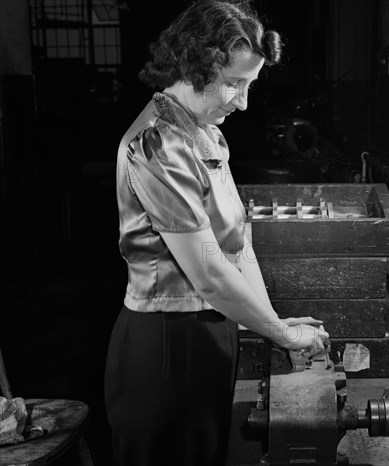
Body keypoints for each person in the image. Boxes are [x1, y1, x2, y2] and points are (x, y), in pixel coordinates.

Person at [104, 2, 329, 465]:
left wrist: (275, 324)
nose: (243, 102)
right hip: (168, 340)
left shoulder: (206, 135)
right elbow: (207, 271)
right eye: (233, 83)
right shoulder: (158, 143)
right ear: (193, 65)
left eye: (250, 84)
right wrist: (280, 335)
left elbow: (237, 245)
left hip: (213, 331)